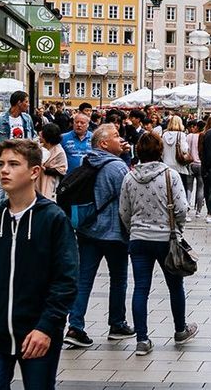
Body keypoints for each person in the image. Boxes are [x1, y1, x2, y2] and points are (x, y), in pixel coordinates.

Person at [0, 139, 77, 390]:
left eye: (13, 164)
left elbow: (66, 279)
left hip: (37, 333)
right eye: (1, 163)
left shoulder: (53, 219)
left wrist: (47, 326)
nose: (4, 170)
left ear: (34, 172)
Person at [118, 132, 198, 356]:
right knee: (175, 286)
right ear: (160, 151)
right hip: (167, 239)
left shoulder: (129, 177)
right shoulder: (170, 176)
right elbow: (182, 208)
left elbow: (124, 211)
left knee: (140, 288)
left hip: (139, 240)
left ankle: (142, 339)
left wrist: (134, 228)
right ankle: (180, 330)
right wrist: (177, 228)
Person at [65, 124, 135, 349]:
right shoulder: (116, 167)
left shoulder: (89, 160)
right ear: (103, 143)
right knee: (118, 279)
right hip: (114, 233)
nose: (120, 138)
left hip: (87, 230)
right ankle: (117, 323)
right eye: (116, 136)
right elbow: (128, 200)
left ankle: (75, 326)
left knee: (83, 280)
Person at [0, 91, 37, 206]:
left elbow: (33, 136)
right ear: (19, 102)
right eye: (26, 102)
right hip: (3, 164)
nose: (28, 104)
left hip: (22, 163)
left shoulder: (27, 119)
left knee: (21, 195)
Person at [160, 116, 194, 219]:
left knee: (167, 191)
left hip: (166, 166)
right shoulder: (181, 135)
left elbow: (161, 151)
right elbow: (184, 149)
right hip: (179, 167)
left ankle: (168, 211)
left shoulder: (164, 135)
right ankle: (182, 212)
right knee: (180, 190)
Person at [37, 123, 67, 201]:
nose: (40, 133)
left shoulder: (59, 151)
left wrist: (47, 169)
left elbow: (62, 170)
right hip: (37, 181)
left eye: (42, 132)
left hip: (49, 183)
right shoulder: (39, 147)